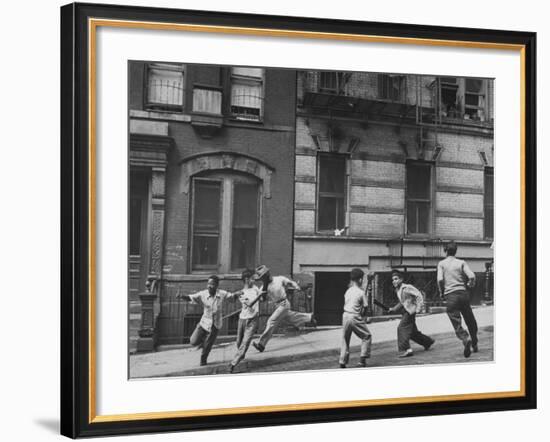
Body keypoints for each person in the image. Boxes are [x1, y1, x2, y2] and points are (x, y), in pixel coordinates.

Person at [251, 265, 315, 353]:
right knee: (291, 317)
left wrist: (296, 286)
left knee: (271, 321)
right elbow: (263, 300)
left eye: (265, 275)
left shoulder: (279, 279)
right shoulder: (263, 287)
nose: (265, 277)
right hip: (277, 305)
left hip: (284, 303)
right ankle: (309, 318)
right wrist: (264, 289)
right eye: (262, 277)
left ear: (268, 273)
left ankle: (261, 344)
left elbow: (289, 282)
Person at [176, 275, 238, 366]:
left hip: (215, 324)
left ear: (217, 286)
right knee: (193, 341)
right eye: (208, 284)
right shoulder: (203, 294)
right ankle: (203, 341)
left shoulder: (222, 294)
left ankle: (203, 359)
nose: (209, 286)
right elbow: (191, 297)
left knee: (208, 344)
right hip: (204, 322)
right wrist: (181, 296)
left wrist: (238, 294)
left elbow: (232, 297)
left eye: (212, 284)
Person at [437, 240, 478, 358]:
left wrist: (441, 292)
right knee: (470, 319)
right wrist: (471, 284)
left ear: (445, 250)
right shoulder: (461, 262)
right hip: (463, 294)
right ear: (456, 250)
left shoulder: (442, 264)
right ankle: (474, 342)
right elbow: (472, 276)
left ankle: (465, 338)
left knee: (456, 321)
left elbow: (440, 279)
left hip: (451, 296)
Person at [388, 270, 434, 358]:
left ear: (401, 279)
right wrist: (393, 309)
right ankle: (427, 342)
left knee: (401, 328)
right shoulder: (398, 290)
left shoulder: (407, 287)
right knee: (412, 332)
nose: (394, 281)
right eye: (393, 280)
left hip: (410, 312)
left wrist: (418, 308)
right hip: (406, 311)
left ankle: (408, 350)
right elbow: (402, 302)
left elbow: (419, 295)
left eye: (396, 279)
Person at [229, 269, 262, 374]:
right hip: (242, 319)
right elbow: (250, 304)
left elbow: (260, 300)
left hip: (253, 319)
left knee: (246, 341)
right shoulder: (241, 293)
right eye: (253, 279)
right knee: (239, 342)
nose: (254, 281)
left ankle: (233, 363)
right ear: (247, 279)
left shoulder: (256, 288)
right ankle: (241, 355)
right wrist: (259, 296)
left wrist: (261, 296)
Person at [339, 268, 372, 368]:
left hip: (345, 315)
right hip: (355, 316)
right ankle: (362, 360)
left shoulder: (348, 291)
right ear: (360, 280)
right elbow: (366, 307)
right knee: (367, 336)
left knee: (345, 339)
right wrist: (363, 316)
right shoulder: (361, 292)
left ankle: (342, 361)